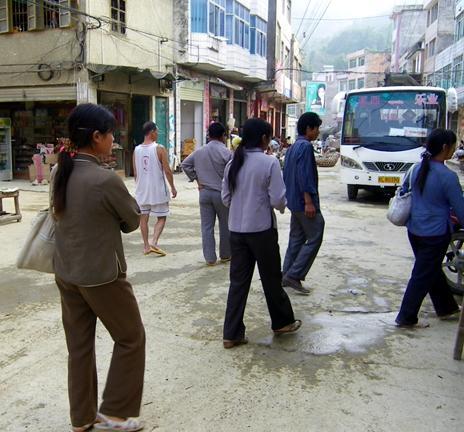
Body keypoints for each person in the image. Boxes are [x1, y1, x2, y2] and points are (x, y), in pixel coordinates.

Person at [52, 103, 145, 432]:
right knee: (131, 338)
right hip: (102, 274)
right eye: (110, 135)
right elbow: (132, 221)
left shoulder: (59, 172)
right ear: (96, 137)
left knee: (79, 347)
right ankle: (116, 413)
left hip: (66, 272)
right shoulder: (105, 179)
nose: (113, 141)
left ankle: (82, 418)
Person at [221, 118, 301, 349]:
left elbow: (225, 198)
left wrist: (242, 205)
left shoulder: (233, 163)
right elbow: (277, 200)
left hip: (236, 231)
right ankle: (282, 322)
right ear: (264, 138)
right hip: (261, 231)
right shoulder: (269, 162)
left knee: (238, 283)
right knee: (271, 279)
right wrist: (274, 206)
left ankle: (231, 334)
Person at [396, 129, 463, 327]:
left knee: (429, 269)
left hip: (414, 230)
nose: (454, 150)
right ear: (445, 147)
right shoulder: (448, 177)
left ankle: (446, 307)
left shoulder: (416, 169)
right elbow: (460, 210)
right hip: (435, 234)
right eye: (453, 146)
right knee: (421, 275)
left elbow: (404, 191)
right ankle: (406, 317)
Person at [282, 112, 323, 295]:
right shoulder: (305, 147)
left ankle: (286, 273)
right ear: (308, 128)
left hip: (293, 201)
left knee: (296, 238)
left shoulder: (292, 147)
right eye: (316, 128)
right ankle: (294, 274)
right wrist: (308, 201)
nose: (318, 132)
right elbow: (304, 175)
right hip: (303, 201)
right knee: (315, 235)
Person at [182, 122, 232, 266]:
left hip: (204, 193)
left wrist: (197, 179)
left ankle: (210, 258)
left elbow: (185, 164)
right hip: (222, 194)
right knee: (225, 225)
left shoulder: (199, 151)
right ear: (223, 136)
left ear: (209, 135)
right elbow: (233, 174)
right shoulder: (227, 153)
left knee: (207, 227)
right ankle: (225, 255)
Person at [133, 121, 177, 256]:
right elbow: (167, 171)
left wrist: (139, 186)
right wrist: (173, 187)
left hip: (142, 190)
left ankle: (146, 246)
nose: (157, 134)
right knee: (162, 217)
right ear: (152, 132)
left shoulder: (136, 150)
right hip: (158, 190)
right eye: (156, 131)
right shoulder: (159, 148)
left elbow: (135, 173)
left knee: (143, 218)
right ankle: (154, 241)